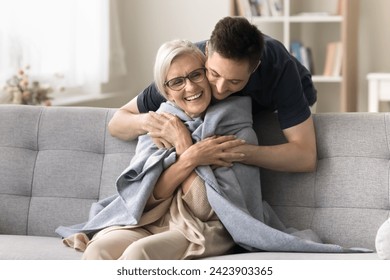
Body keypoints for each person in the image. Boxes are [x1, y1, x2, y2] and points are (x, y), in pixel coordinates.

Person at [56, 39, 249, 259]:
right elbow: (143, 199)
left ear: (207, 73)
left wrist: (183, 148)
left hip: (203, 228)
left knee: (139, 254)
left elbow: (203, 209)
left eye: (196, 74)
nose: (191, 87)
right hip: (150, 220)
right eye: (177, 81)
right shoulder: (161, 124)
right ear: (166, 92)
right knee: (97, 250)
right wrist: (190, 155)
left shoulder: (232, 124)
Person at [108, 16, 318, 173]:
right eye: (213, 74)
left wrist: (239, 152)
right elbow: (117, 122)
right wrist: (150, 123)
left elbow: (305, 157)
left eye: (234, 81)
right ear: (206, 52)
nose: (219, 89)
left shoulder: (278, 68)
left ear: (254, 69)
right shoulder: (188, 66)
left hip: (297, 91)